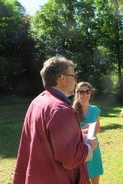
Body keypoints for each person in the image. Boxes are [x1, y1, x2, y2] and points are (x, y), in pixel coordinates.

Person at [13, 56, 97, 184]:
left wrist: (78, 134)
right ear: (62, 79)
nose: (76, 82)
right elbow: (71, 158)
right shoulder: (61, 109)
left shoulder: (37, 101)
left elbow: (48, 138)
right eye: (74, 77)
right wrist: (90, 145)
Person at [73, 82, 104, 184]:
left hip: (94, 147)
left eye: (87, 91)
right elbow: (69, 133)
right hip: (79, 148)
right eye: (81, 92)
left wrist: (94, 128)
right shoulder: (72, 111)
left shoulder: (95, 110)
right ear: (77, 93)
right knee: (81, 178)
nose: (85, 94)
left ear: (90, 93)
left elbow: (98, 129)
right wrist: (82, 129)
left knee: (95, 176)